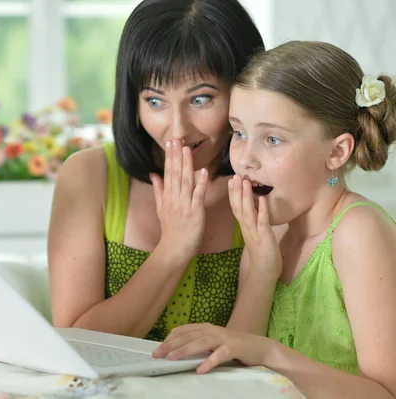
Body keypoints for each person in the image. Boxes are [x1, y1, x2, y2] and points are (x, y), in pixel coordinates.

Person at [153, 41, 396, 398]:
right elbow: (238, 372)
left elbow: (386, 392)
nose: (245, 158)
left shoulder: (358, 233)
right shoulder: (267, 230)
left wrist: (269, 355)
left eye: (272, 139)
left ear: (337, 151)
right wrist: (262, 268)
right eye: (239, 133)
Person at [47, 0, 264, 341]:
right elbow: (76, 342)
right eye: (155, 101)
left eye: (200, 99)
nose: (177, 130)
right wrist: (174, 247)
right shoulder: (88, 176)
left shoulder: (264, 184)